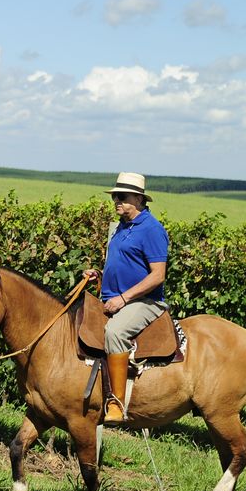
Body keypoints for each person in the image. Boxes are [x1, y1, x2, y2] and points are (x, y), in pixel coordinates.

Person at [83, 172, 169, 425]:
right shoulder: (122, 227)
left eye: (122, 196)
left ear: (139, 199)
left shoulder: (152, 230)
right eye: (114, 196)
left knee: (115, 333)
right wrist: (98, 275)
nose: (116, 201)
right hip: (114, 298)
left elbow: (157, 276)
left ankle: (116, 405)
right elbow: (122, 265)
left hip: (145, 302)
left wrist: (123, 298)